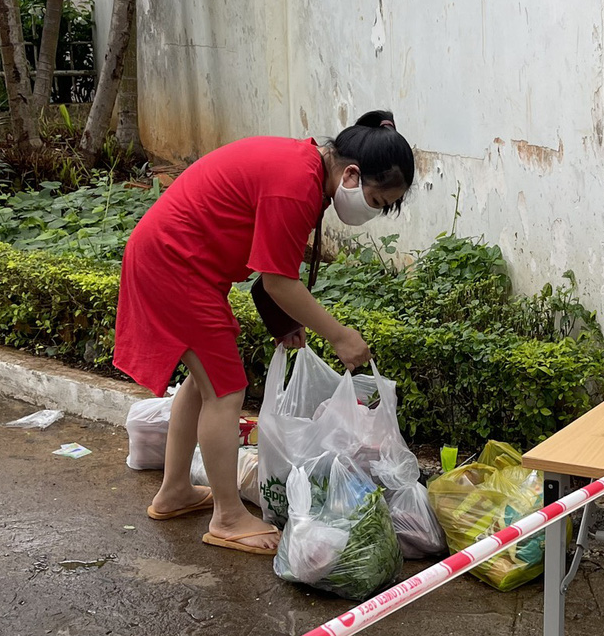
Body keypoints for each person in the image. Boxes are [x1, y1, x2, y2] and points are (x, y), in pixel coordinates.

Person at [113, 112, 416, 554]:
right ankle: (228, 516)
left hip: (177, 261)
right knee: (226, 390)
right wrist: (339, 335)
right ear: (351, 173)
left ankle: (175, 491)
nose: (372, 210)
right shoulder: (296, 183)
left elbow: (272, 270)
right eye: (375, 198)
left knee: (206, 384)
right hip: (175, 265)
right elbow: (278, 281)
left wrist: (287, 320)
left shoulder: (305, 169)